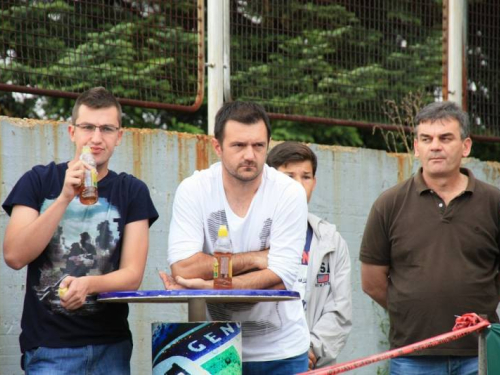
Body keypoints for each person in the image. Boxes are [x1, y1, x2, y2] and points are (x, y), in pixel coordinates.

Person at [2, 87, 159, 374]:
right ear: (72, 131)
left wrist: (88, 285)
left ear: (119, 136)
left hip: (111, 348)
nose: (96, 138)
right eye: (88, 127)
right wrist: (63, 198)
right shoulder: (39, 180)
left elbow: (132, 276)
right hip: (49, 348)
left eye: (107, 129)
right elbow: (14, 255)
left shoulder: (132, 191)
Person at [160, 101, 310, 374]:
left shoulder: (289, 193)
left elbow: (281, 277)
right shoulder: (194, 190)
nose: (250, 155)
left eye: (258, 146)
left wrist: (211, 286)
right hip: (213, 347)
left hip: (282, 352)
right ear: (217, 147)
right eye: (239, 145)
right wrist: (257, 258)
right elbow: (183, 268)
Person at [359, 101, 500, 375]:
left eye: (445, 138)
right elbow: (372, 281)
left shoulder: (494, 203)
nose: (435, 146)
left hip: (479, 353)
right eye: (427, 139)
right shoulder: (389, 204)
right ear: (416, 147)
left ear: (466, 146)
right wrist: (411, 310)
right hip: (412, 355)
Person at [266, 141, 352, 370]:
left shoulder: (331, 241)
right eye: (288, 176)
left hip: (314, 362)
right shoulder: (252, 234)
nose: (298, 185)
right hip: (262, 359)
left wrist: (311, 348)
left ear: (314, 183)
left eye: (306, 177)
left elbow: (339, 310)